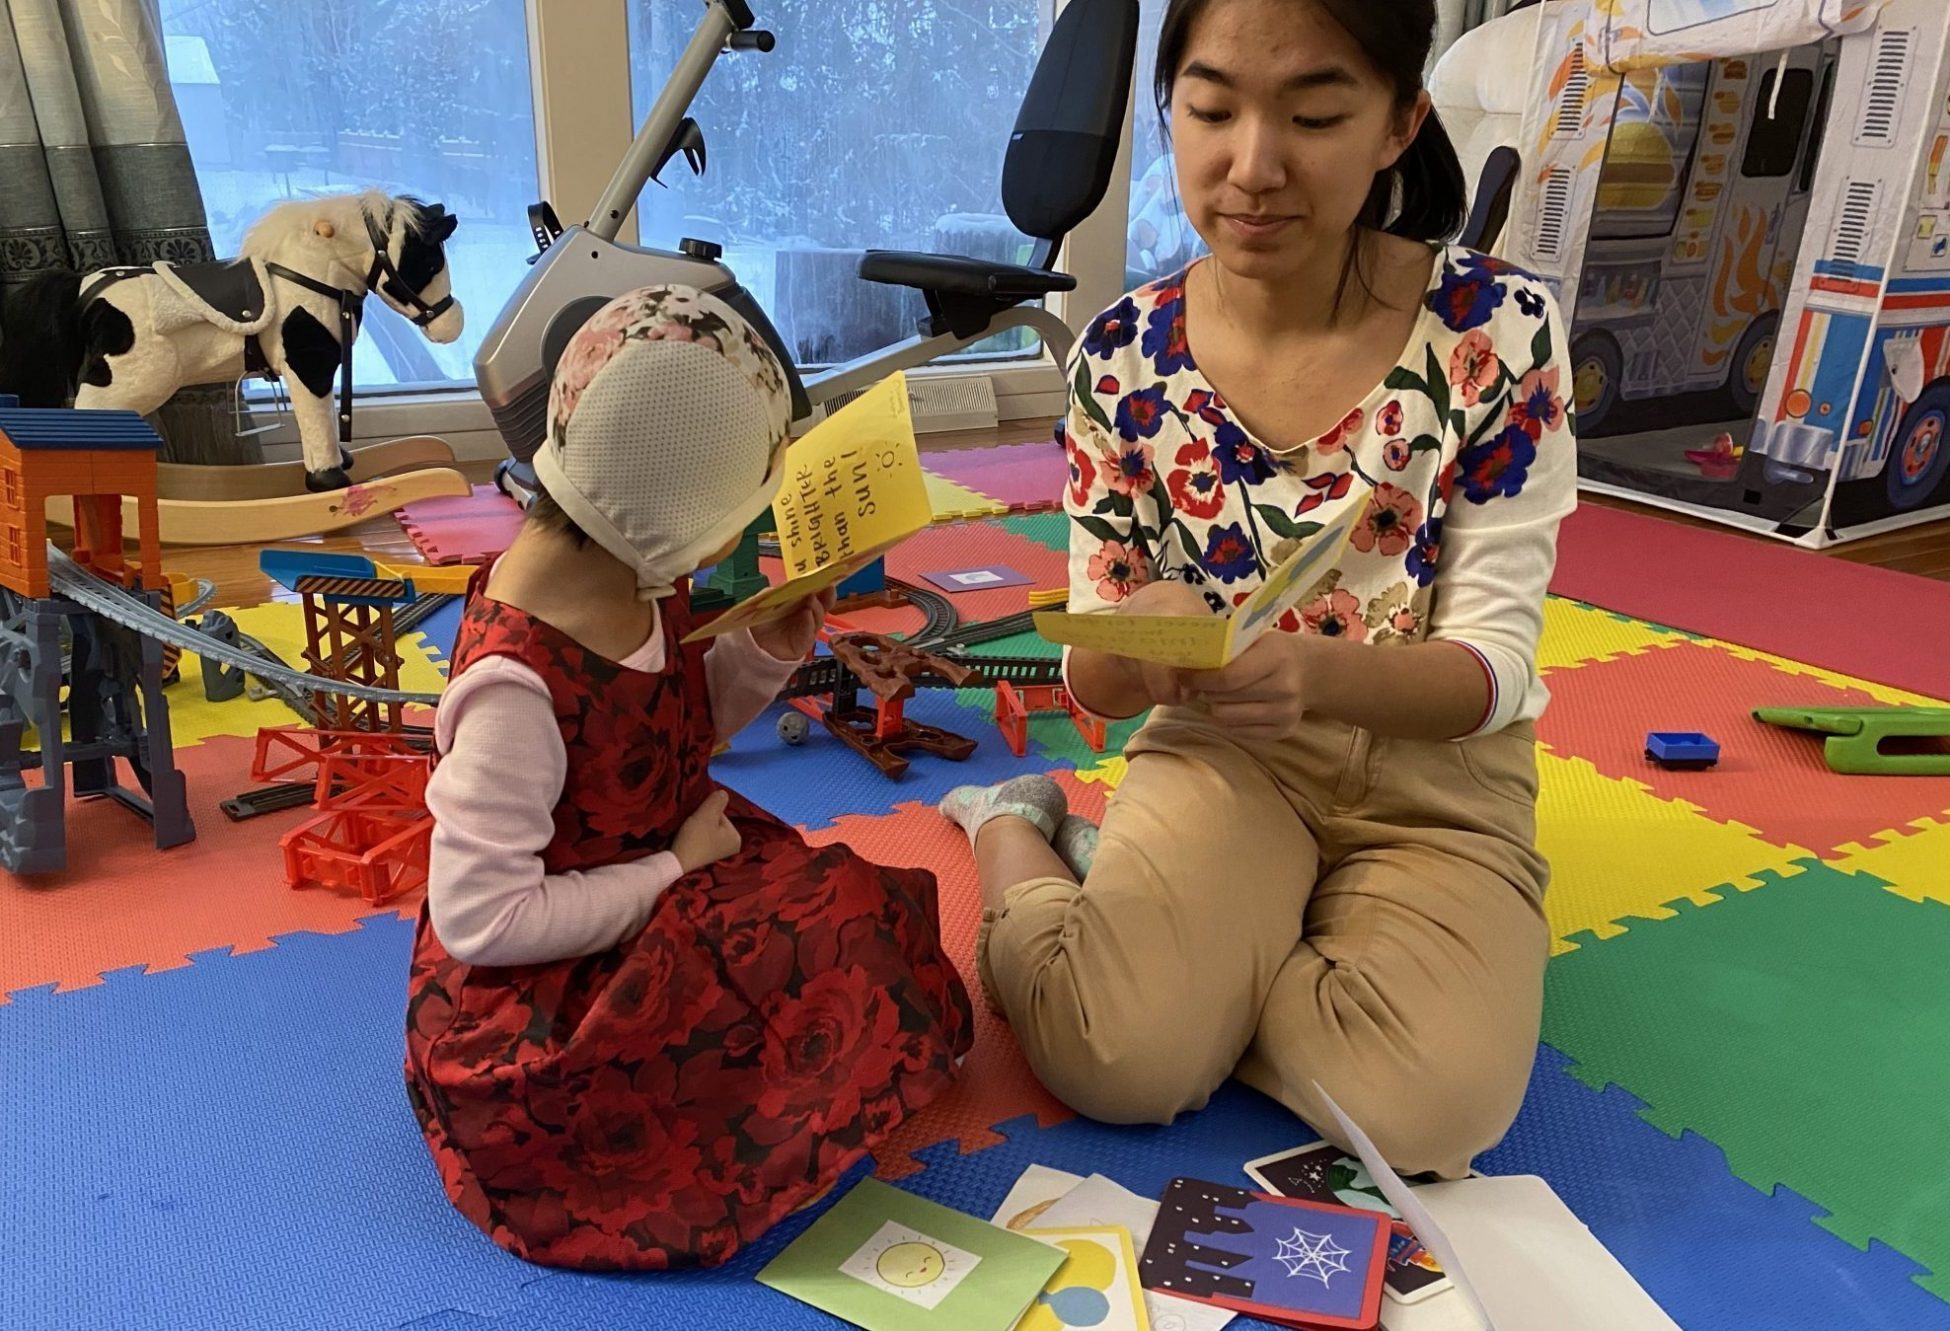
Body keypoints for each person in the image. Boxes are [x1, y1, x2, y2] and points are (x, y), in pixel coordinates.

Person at [938, 0, 1576, 1179]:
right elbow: (1091, 665)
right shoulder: (1122, 359)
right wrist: (1128, 646)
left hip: (1436, 769)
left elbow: (1498, 667)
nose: (1254, 167)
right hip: (1227, 749)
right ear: (1169, 108)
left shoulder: (1498, 329)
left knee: (1433, 1115)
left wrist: (1318, 671)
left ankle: (1215, 959)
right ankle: (1019, 832)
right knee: (1109, 1060)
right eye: (1213, 108)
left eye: (1317, 114)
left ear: (1399, 125)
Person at [404, 285, 974, 1271]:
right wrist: (670, 868)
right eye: (725, 522)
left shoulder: (631, 568)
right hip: (547, 998)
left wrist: (764, 645)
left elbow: (668, 728)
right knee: (802, 976)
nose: (721, 550)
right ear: (662, 503)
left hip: (661, 870)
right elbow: (480, 922)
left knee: (852, 905)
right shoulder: (512, 683)